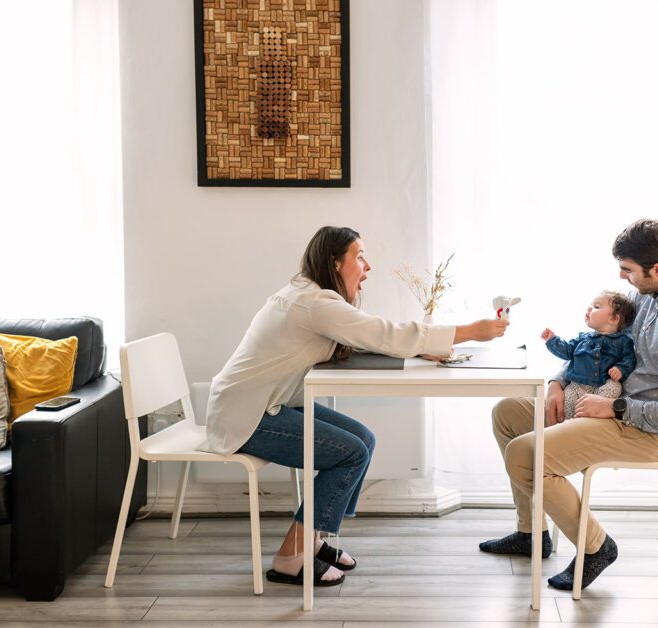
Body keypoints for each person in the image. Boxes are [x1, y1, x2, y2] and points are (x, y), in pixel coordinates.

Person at [204, 225, 509, 587]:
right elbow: (381, 331)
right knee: (350, 453)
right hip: (247, 416)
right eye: (360, 256)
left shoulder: (311, 296)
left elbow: (362, 335)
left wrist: (416, 346)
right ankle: (290, 557)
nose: (368, 266)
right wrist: (470, 330)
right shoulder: (316, 303)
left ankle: (315, 542)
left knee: (363, 438)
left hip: (267, 403)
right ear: (335, 263)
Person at [480, 218, 658, 591]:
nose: (622, 277)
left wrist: (615, 409)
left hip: (649, 431)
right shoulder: (648, 296)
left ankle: (596, 546)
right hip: (606, 406)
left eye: (628, 269)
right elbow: (596, 343)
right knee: (508, 414)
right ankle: (531, 533)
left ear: (657, 269)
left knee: (524, 454)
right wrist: (557, 382)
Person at [541, 290, 636, 419]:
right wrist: (553, 340)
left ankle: (593, 417)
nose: (589, 308)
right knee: (567, 404)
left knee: (615, 387)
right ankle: (569, 426)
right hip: (576, 385)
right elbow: (567, 351)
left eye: (596, 306)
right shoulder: (582, 338)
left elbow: (629, 358)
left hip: (604, 384)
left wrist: (621, 369)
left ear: (614, 319)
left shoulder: (624, 341)